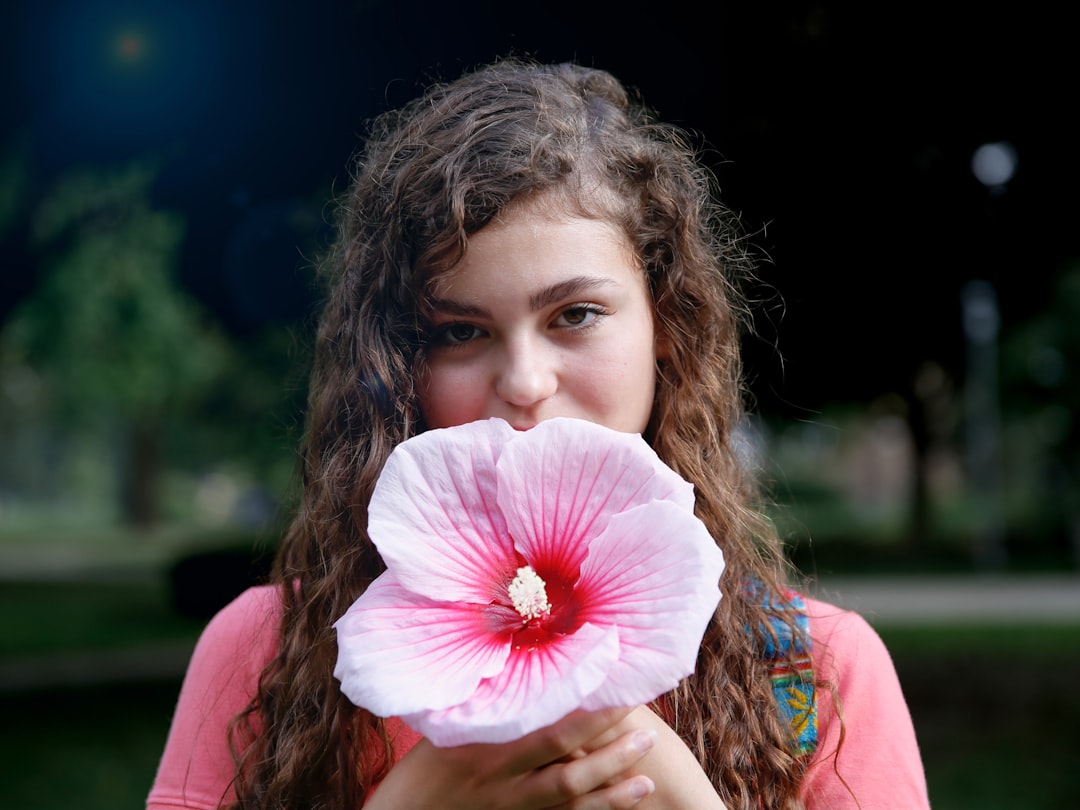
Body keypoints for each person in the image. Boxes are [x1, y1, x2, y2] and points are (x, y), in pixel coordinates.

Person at [147, 57, 930, 809]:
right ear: (400, 358)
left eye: (575, 315)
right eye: (459, 331)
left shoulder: (814, 671)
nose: (524, 382)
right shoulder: (274, 653)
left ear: (666, 323)